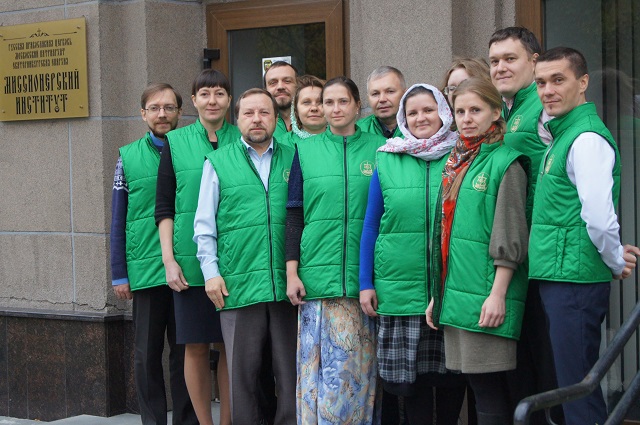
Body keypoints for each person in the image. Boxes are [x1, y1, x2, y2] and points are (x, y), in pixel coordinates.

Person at [530, 46, 640, 425]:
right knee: (573, 386)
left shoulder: (586, 139)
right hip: (563, 277)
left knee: (579, 391)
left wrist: (615, 259)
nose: (548, 90)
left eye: (558, 80)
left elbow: (599, 218)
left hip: (573, 282)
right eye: (541, 82)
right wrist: (613, 253)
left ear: (583, 82)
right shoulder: (563, 135)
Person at [359, 83, 466, 424]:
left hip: (450, 290)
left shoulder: (463, 154)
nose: (421, 118)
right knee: (411, 389)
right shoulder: (387, 157)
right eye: (413, 112)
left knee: (452, 381)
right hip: (399, 291)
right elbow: (371, 224)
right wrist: (365, 283)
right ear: (403, 118)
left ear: (443, 113)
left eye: (428, 110)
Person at [426, 77, 529, 425]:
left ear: (495, 112)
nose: (467, 118)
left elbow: (510, 236)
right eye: (460, 111)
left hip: (486, 295)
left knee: (489, 390)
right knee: (476, 386)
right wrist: (438, 295)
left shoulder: (506, 163)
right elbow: (447, 234)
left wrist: (497, 295)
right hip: (457, 295)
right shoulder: (457, 161)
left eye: (476, 110)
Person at [193, 88, 297, 424]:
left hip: (287, 285)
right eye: (248, 113)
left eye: (264, 112)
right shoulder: (218, 162)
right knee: (243, 379)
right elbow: (204, 225)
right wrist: (210, 272)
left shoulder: (295, 155)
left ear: (276, 118)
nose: (257, 119)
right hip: (238, 283)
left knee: (292, 376)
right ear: (236, 119)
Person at [285, 76, 385, 424]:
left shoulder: (382, 149)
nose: (335, 108)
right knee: (319, 376)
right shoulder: (305, 150)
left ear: (358, 106)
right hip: (317, 282)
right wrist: (292, 272)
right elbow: (294, 215)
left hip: (364, 283)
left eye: (343, 101)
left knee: (356, 377)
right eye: (328, 102)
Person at [155, 69, 240, 425]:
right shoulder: (175, 143)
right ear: (193, 101)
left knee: (231, 347)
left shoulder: (243, 137)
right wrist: (169, 260)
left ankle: (228, 422)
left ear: (229, 99)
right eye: (205, 94)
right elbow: (164, 208)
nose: (212, 100)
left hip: (236, 261)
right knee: (196, 344)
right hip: (191, 264)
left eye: (219, 93)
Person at [110, 83, 197, 425]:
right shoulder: (128, 157)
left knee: (186, 352)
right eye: (155, 108)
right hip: (146, 271)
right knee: (146, 355)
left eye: (169, 107)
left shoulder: (192, 150)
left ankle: (187, 420)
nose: (162, 114)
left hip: (187, 268)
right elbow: (118, 217)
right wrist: (119, 272)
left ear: (180, 112)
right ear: (143, 114)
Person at [489, 27, 561, 424]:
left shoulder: (545, 110)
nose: (500, 67)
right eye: (494, 60)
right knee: (525, 370)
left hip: (541, 260)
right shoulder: (509, 109)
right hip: (520, 260)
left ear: (534, 61)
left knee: (548, 371)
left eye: (510, 58)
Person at [358, 66, 407, 139]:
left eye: (390, 91)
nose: (382, 99)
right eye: (375, 94)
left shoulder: (420, 127)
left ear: (405, 94)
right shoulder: (357, 131)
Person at [280, 75, 326, 146]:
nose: (314, 108)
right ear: (295, 109)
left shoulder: (342, 141)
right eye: (306, 102)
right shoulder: (280, 145)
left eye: (320, 102)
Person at [264, 61, 298, 140]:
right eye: (273, 82)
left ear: (297, 86)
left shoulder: (314, 120)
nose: (280, 87)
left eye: (287, 81)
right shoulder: (260, 126)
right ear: (265, 90)